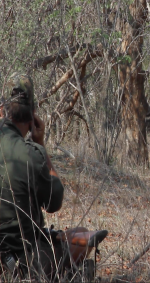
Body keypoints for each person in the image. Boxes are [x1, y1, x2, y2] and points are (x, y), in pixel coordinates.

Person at [0, 73, 107, 280]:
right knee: (80, 239)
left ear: (4, 111)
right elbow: (54, 202)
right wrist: (41, 145)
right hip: (21, 262)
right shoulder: (31, 153)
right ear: (33, 117)